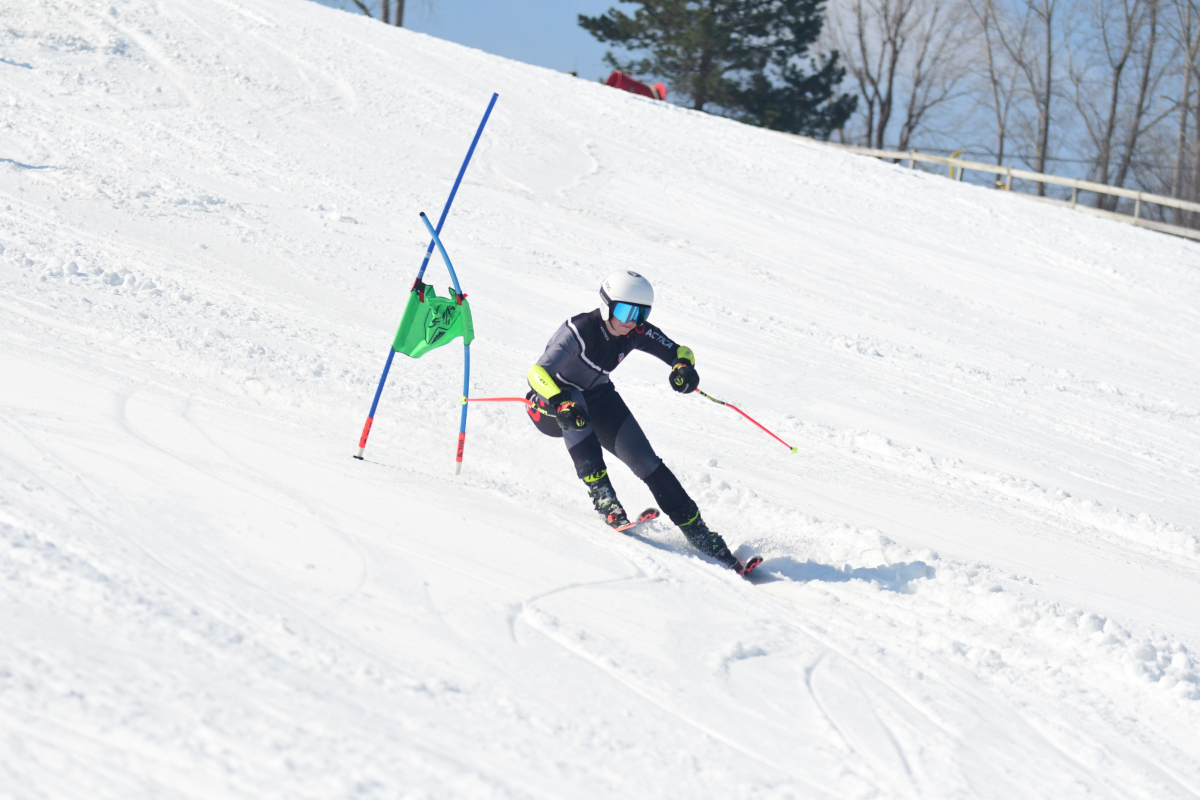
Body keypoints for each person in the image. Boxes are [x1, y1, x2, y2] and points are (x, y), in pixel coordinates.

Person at [525, 270, 752, 574]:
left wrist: (683, 367)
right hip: (549, 403)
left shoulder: (636, 330)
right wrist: (559, 400)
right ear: (606, 305)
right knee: (576, 403)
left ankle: (700, 533)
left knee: (646, 461)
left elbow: (679, 351)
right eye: (625, 311)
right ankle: (604, 497)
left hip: (596, 395)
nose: (633, 321)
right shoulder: (579, 330)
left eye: (641, 313)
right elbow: (537, 373)